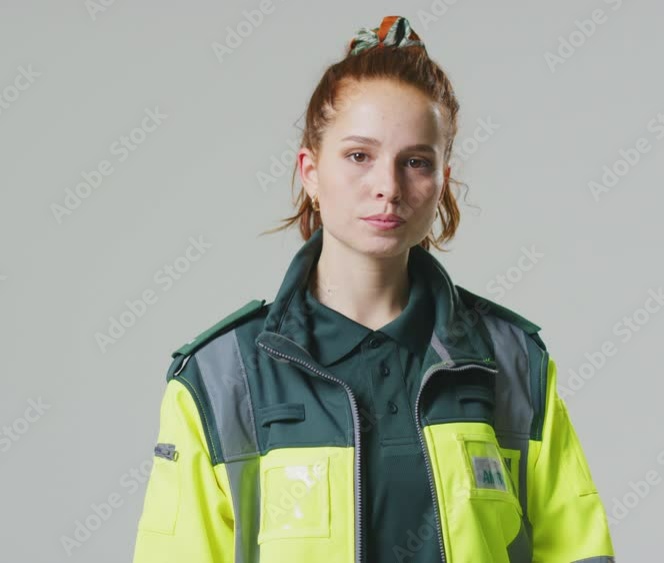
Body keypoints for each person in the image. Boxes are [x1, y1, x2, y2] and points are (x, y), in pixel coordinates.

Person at [132, 15, 615, 563]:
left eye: (415, 162)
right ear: (310, 171)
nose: (388, 187)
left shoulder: (510, 362)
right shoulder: (219, 380)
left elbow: (578, 552)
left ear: (442, 181)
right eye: (359, 155)